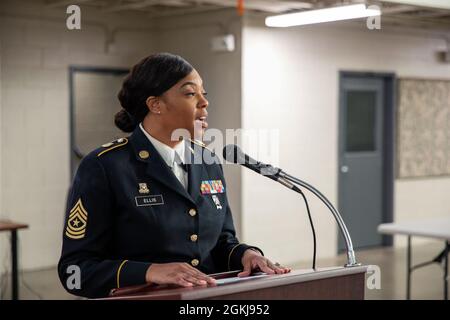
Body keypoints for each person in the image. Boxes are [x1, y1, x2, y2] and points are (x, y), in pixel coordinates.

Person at [58, 53, 290, 298]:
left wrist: (246, 254)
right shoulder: (105, 166)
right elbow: (75, 270)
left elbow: (222, 241)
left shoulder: (207, 160)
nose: (204, 102)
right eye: (191, 93)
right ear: (155, 104)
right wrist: (149, 272)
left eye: (204, 94)